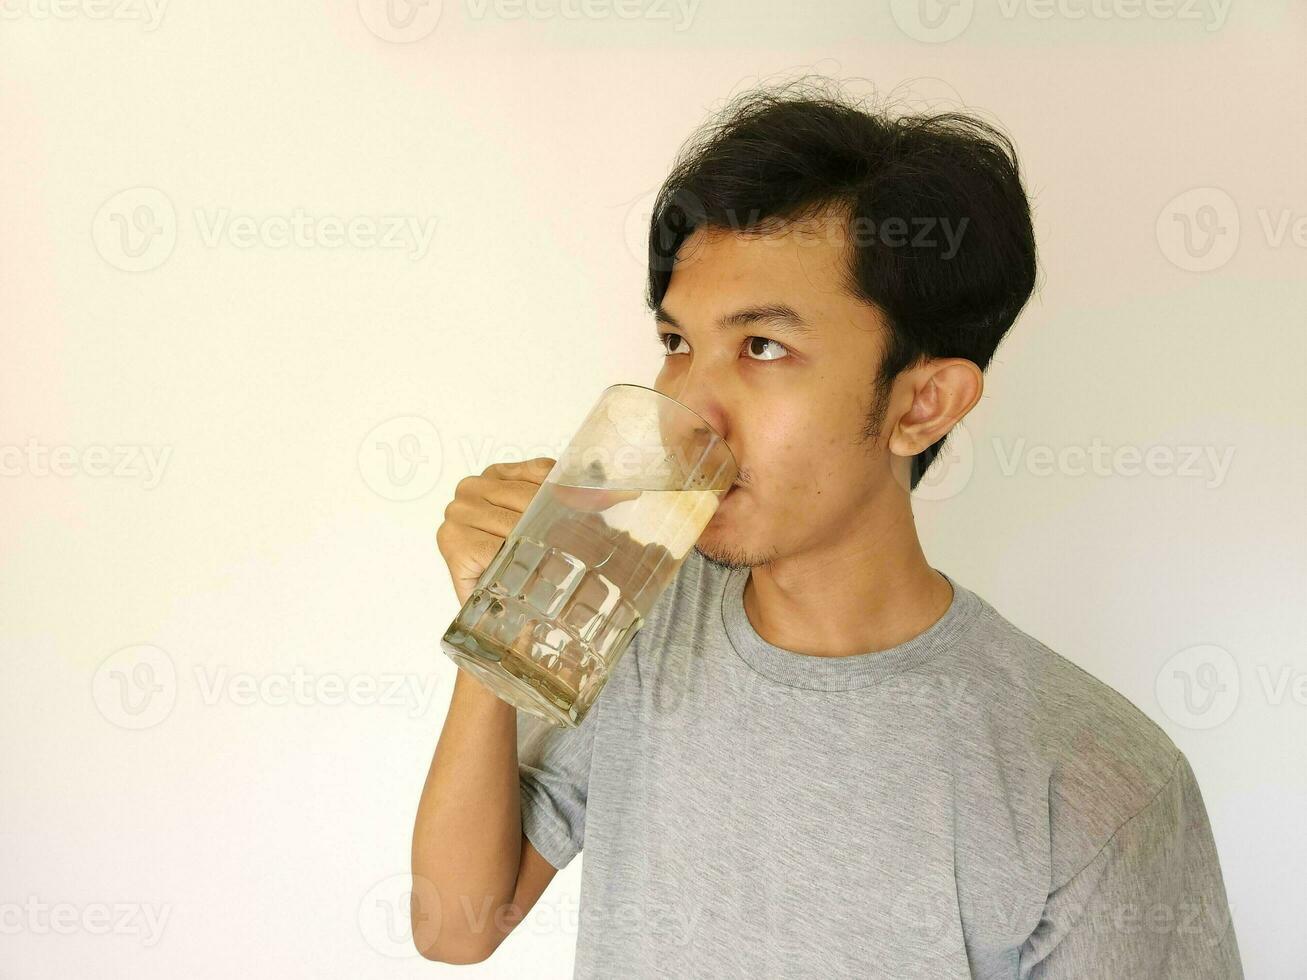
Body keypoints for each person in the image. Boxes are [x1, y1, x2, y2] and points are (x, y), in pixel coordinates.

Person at [412, 79, 1244, 977]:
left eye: (762, 347)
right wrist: (498, 617)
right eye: (676, 341)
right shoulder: (637, 609)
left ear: (921, 404)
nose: (687, 405)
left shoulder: (1093, 779)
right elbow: (456, 928)